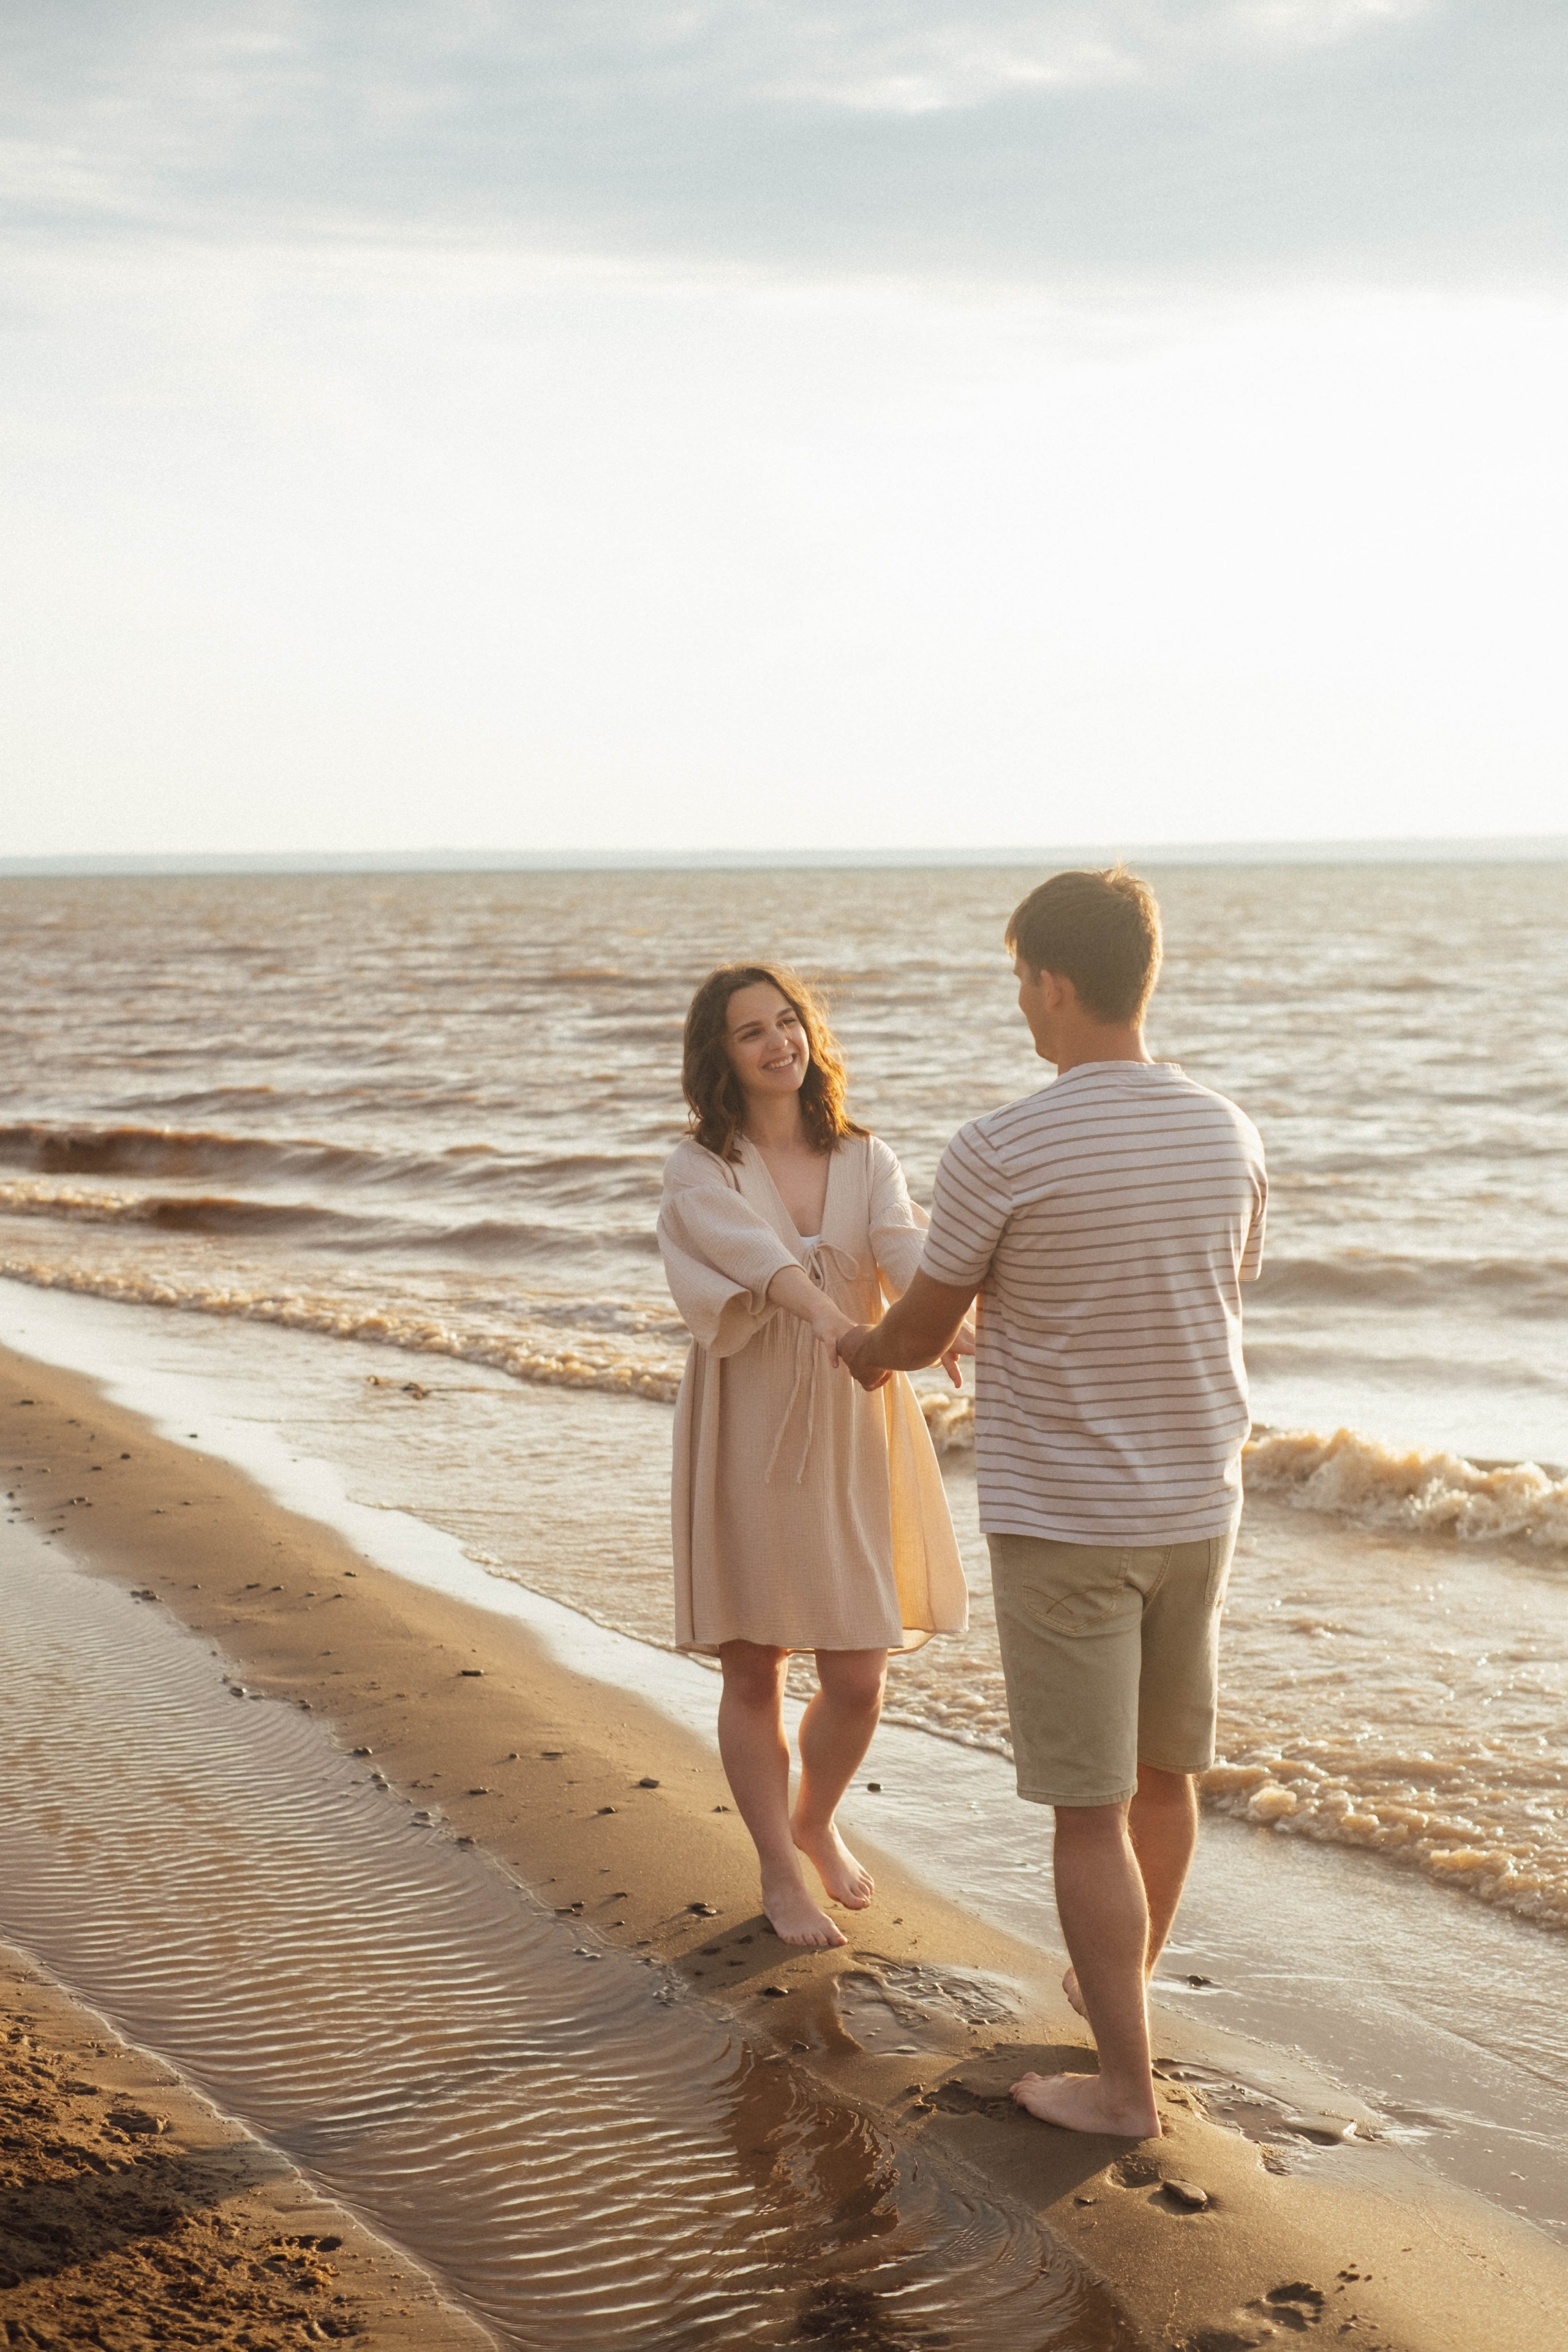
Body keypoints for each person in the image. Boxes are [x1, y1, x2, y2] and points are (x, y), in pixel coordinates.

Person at [837, 869, 1266, 2139]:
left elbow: (922, 1329)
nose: (1020, 1001)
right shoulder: (1228, 1131)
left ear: (1056, 984)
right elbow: (1213, 1285)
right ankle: (1116, 1988)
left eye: (1022, 979)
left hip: (1068, 1516)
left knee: (1089, 1809)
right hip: (1199, 1503)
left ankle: (1124, 2088)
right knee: (1163, 1777)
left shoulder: (1002, 1146)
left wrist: (864, 1351)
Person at [657, 963, 970, 1949]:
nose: (777, 1042)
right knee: (755, 1666)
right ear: (720, 1055)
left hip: (854, 1416)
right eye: (751, 1031)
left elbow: (904, 1249)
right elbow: (760, 1262)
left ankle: (816, 1817)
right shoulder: (700, 1168)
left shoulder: (865, 1155)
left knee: (859, 1671)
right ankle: (778, 1870)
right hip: (749, 1415)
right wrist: (839, 1323)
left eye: (788, 1022)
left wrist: (945, 1322)